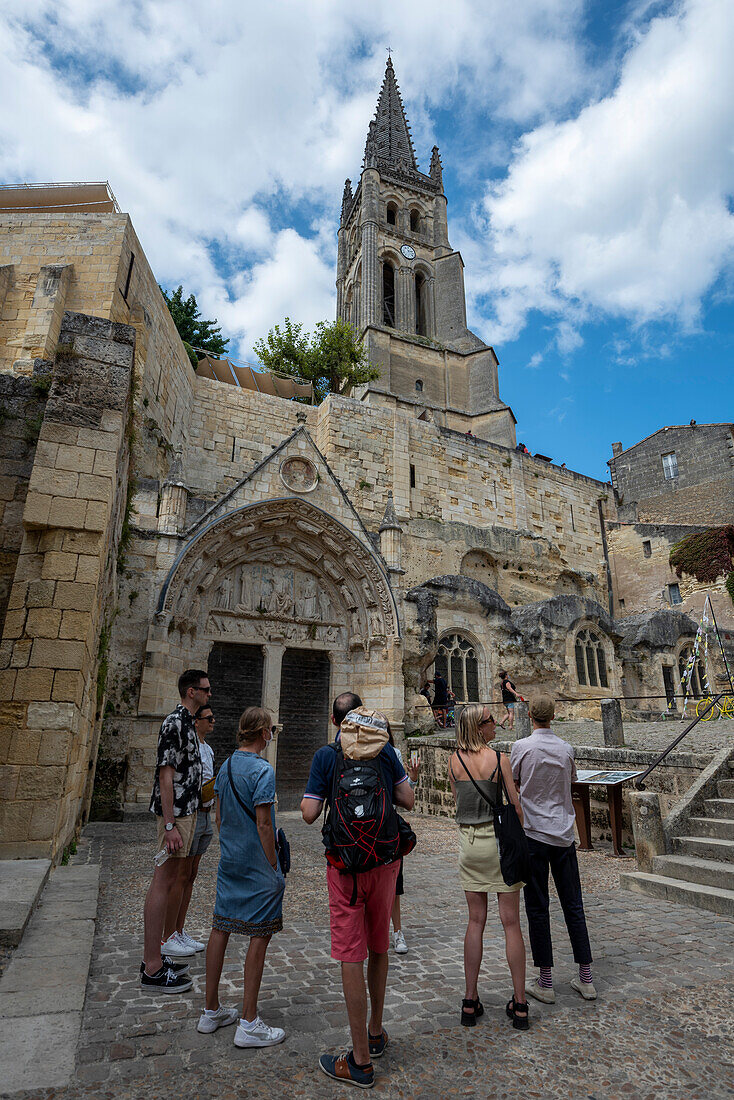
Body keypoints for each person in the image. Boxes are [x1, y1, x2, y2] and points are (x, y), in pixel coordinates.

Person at [301, 692, 414, 1090]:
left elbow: (310, 813)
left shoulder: (326, 756)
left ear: (335, 722)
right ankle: (376, 1032)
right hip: (384, 863)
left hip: (345, 867)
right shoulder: (384, 752)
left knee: (351, 953)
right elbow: (408, 799)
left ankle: (360, 1061)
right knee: (379, 945)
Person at [199, 707, 286, 1046]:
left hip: (230, 859)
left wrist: (231, 848)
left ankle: (210, 1010)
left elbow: (219, 816)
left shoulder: (227, 765)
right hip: (257, 864)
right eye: (271, 730)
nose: (272, 736)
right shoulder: (263, 770)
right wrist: (273, 865)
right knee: (258, 935)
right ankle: (249, 1020)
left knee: (220, 926)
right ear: (263, 732)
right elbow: (265, 823)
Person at [510, 693, 596, 1004]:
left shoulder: (521, 747)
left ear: (529, 714)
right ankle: (586, 978)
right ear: (554, 716)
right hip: (563, 834)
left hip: (533, 833)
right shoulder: (566, 748)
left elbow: (514, 782)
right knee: (573, 904)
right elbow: (571, 780)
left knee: (537, 907)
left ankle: (545, 981)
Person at [448, 704, 529, 1031]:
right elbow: (515, 803)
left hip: (470, 847)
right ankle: (520, 1003)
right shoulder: (499, 760)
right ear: (480, 727)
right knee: (511, 923)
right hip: (498, 846)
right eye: (491, 720)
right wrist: (523, 839)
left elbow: (457, 801)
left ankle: (470, 1000)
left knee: (475, 921)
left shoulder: (453, 761)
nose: (496, 723)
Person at [141, 669, 209, 992]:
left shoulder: (189, 725)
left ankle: (156, 955)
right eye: (206, 690)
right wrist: (169, 825)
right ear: (191, 692)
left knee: (169, 882)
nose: (210, 694)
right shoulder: (174, 723)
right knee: (162, 882)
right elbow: (165, 776)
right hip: (176, 816)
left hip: (187, 813)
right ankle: (152, 967)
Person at [168, 703, 217, 954]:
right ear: (196, 721)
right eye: (209, 718)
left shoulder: (207, 748)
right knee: (181, 875)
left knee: (192, 874)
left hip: (207, 814)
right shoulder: (191, 746)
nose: (213, 722)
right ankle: (171, 933)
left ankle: (180, 929)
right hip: (193, 814)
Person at [386, 723, 420, 955]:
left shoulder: (392, 754)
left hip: (389, 825)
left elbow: (404, 794)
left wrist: (414, 779)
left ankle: (397, 932)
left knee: (395, 886)